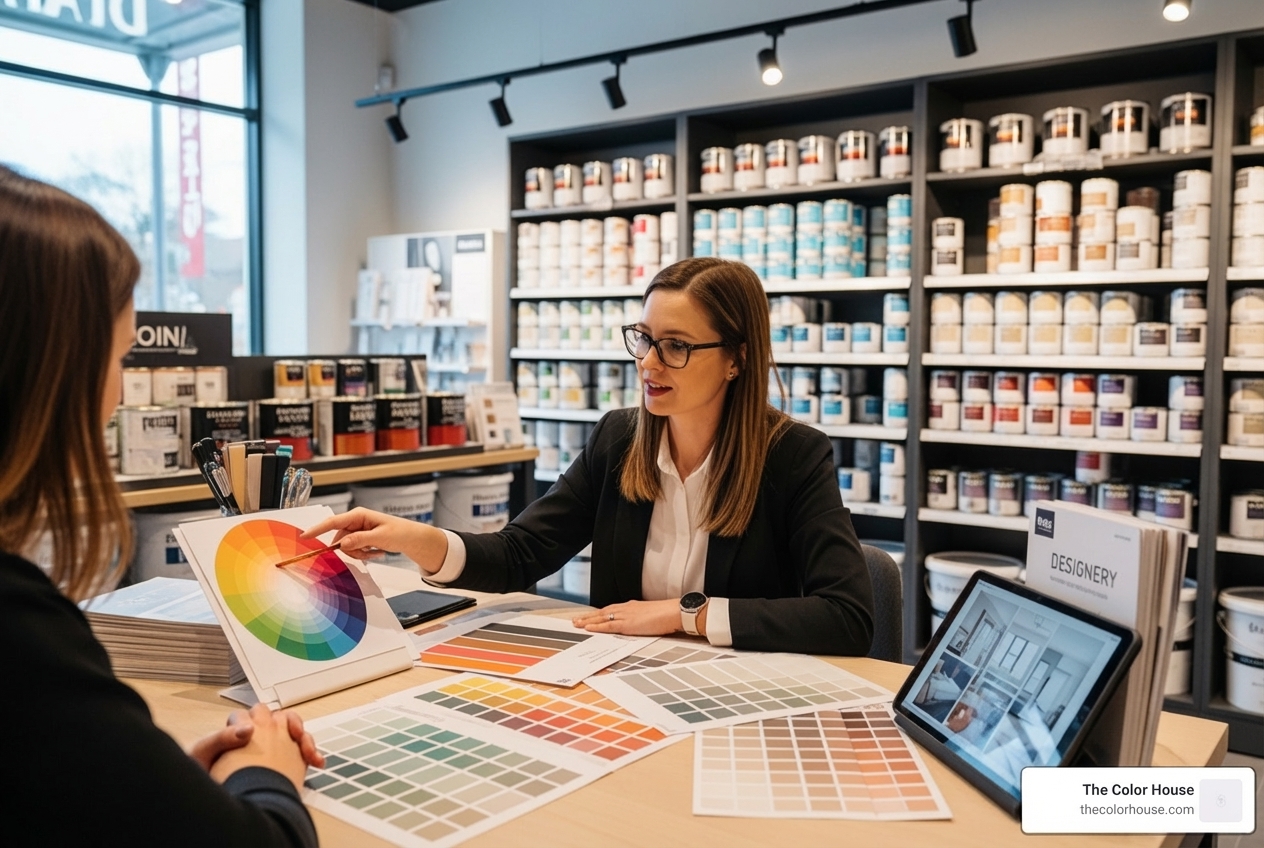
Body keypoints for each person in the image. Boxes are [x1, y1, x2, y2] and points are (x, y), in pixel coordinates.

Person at [310, 257, 874, 656]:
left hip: (740, 697)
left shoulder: (793, 456)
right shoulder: (619, 440)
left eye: (676, 346)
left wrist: (686, 613)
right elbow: (520, 553)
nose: (648, 363)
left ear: (737, 359)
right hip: (622, 682)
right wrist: (417, 539)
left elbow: (848, 616)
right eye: (644, 338)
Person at [0, 166, 321, 847]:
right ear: (46, 372)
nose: (118, 396)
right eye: (118, 359)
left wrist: (150, 786)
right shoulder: (18, 628)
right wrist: (267, 773)